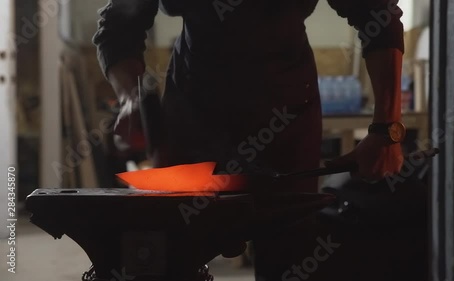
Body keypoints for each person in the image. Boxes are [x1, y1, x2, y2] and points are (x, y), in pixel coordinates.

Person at [93, 0, 405, 280]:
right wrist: (132, 99)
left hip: (286, 117)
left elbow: (375, 13)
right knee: (170, 255)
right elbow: (119, 25)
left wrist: (386, 129)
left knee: (290, 258)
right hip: (192, 112)